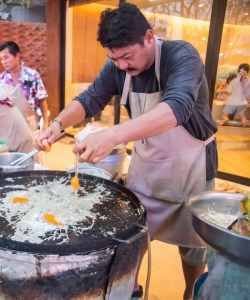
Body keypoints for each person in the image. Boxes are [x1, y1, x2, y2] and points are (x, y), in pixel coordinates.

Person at [35, 4, 217, 300]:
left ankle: (190, 294)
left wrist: (113, 134)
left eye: (126, 56)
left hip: (193, 168)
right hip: (148, 167)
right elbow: (91, 98)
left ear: (148, 37)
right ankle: (128, 289)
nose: (121, 65)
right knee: (132, 237)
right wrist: (57, 124)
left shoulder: (181, 56)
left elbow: (177, 107)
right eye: (113, 58)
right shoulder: (119, 67)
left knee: (194, 247)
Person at [0, 41, 49, 132]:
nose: (3, 62)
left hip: (31, 124)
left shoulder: (32, 75)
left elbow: (42, 100)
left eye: (6, 57)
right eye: (1, 59)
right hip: (9, 126)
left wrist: (46, 123)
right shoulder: (0, 79)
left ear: (17, 56)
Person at [217, 63, 250, 127]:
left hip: (232, 101)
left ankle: (225, 119)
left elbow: (229, 92)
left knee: (224, 116)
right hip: (242, 102)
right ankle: (241, 116)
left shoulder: (235, 80)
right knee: (236, 117)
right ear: (248, 71)